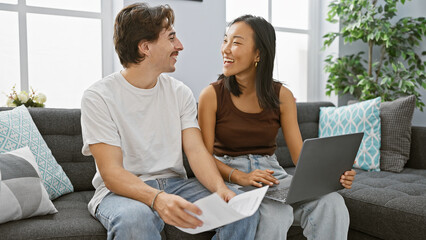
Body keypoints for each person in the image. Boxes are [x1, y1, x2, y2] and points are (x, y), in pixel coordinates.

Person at [80, 4, 259, 240]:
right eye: (171, 37)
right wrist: (157, 199)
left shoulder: (179, 92)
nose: (180, 46)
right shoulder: (98, 96)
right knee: (136, 219)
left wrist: (221, 189)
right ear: (145, 48)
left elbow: (196, 151)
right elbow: (112, 173)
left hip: (176, 184)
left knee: (242, 208)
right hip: (121, 192)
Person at [198, 15, 356, 240]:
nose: (225, 49)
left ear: (258, 54)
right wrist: (241, 175)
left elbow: (300, 155)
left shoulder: (282, 96)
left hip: (273, 174)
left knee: (332, 203)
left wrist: (334, 176)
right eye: (225, 40)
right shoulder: (211, 95)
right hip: (231, 174)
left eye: (236, 42)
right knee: (275, 215)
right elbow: (203, 158)